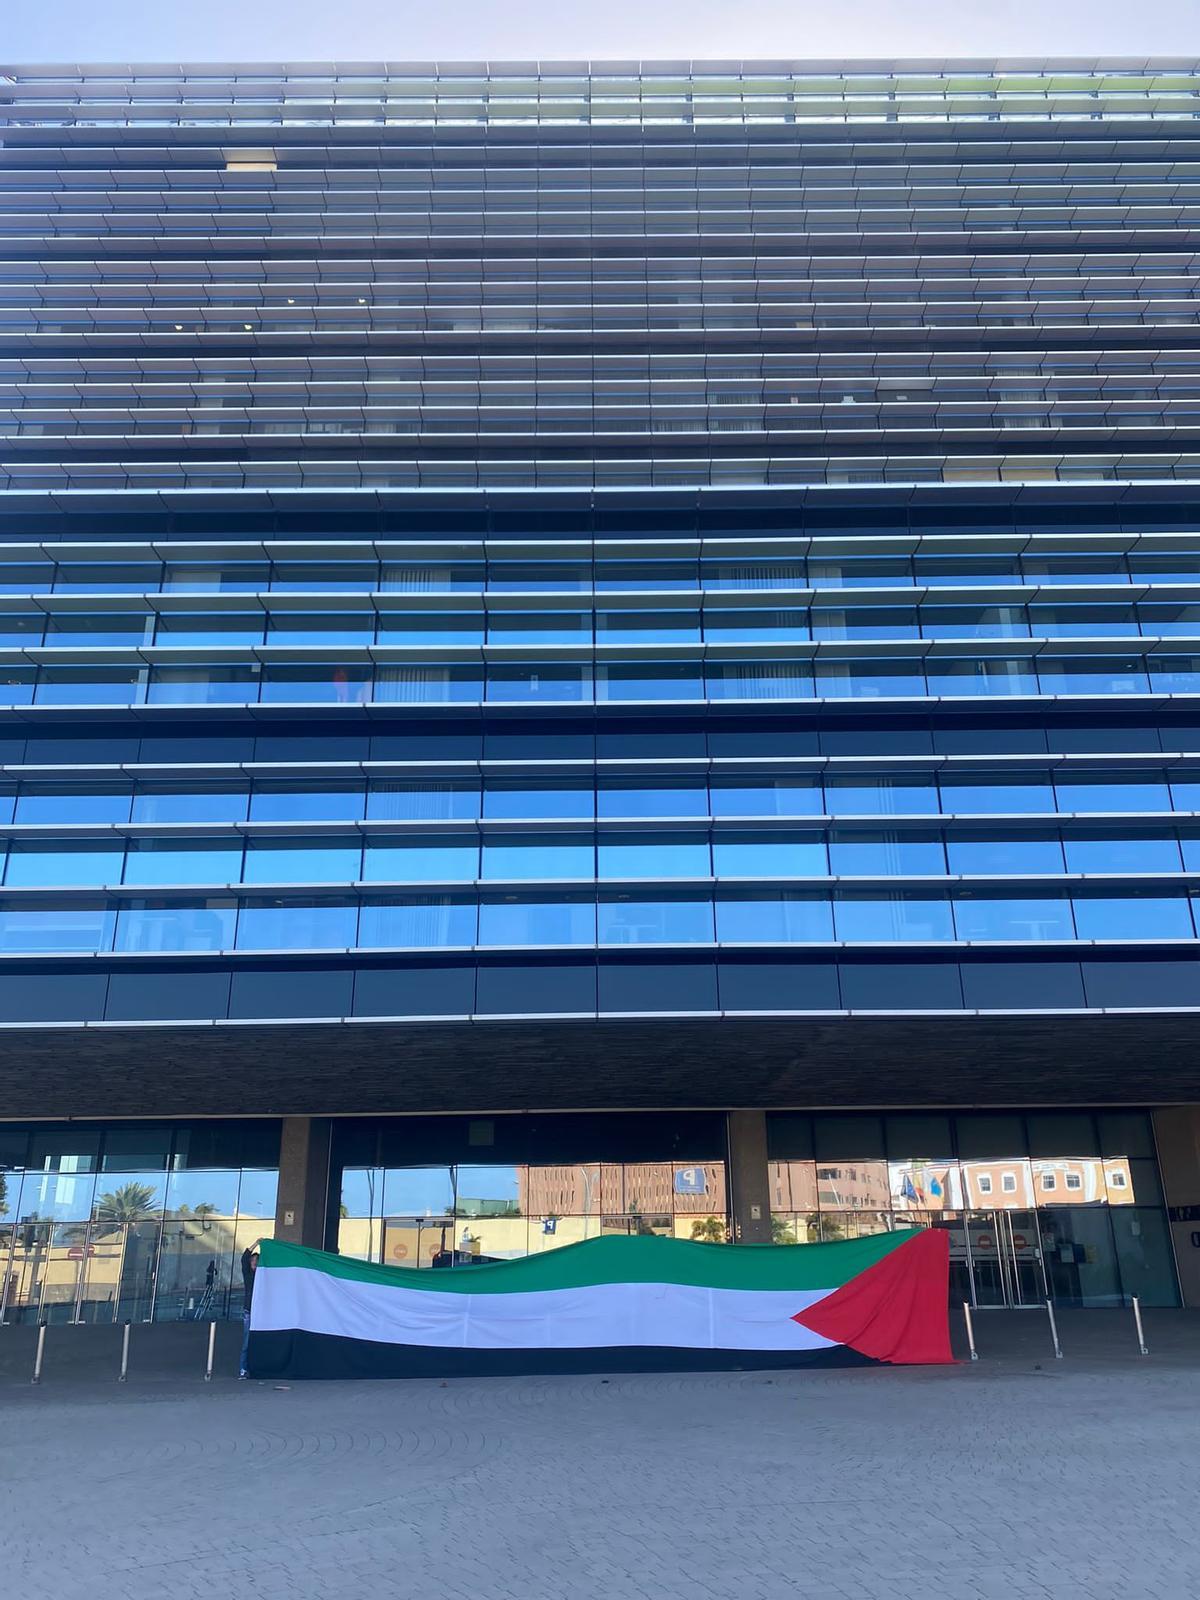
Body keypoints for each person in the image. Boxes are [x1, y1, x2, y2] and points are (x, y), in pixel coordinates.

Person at [239, 1243, 259, 1379]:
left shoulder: (262, 1275)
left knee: (257, 1341)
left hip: (259, 1312)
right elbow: (243, 1258)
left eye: (257, 1261)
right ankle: (243, 1369)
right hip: (249, 1312)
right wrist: (257, 1243)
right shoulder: (248, 1274)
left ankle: (254, 1368)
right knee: (247, 1342)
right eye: (253, 1260)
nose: (255, 1263)